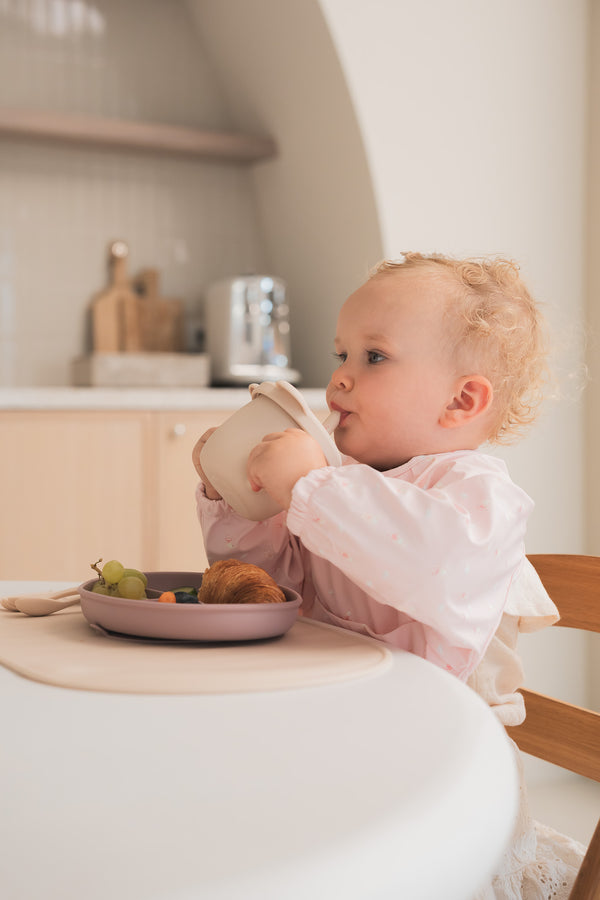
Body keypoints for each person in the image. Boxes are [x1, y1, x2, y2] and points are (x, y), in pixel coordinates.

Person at [193, 252, 585, 898]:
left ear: (462, 400)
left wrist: (308, 485)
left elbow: (428, 566)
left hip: (436, 774)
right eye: (341, 355)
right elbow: (273, 588)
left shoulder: (477, 495)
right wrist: (238, 494)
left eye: (372, 358)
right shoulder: (347, 487)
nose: (339, 380)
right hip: (341, 741)